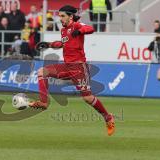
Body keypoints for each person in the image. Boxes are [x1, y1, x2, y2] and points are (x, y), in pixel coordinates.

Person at [29, 5, 115, 136]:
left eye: (63, 16)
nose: (61, 19)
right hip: (66, 66)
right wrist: (49, 44)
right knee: (42, 71)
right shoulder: (64, 30)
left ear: (70, 16)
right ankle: (44, 102)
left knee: (87, 97)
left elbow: (90, 29)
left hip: (79, 68)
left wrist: (80, 31)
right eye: (60, 16)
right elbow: (62, 43)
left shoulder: (77, 25)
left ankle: (108, 117)